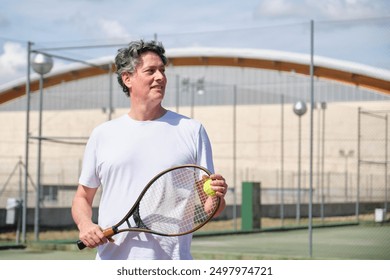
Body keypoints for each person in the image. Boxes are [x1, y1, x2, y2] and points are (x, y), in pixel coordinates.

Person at [71, 39, 228, 260]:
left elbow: (211, 207)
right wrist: (85, 224)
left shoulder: (192, 130)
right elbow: (82, 198)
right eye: (150, 71)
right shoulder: (102, 134)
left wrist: (218, 196)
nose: (160, 77)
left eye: (162, 71)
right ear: (127, 79)